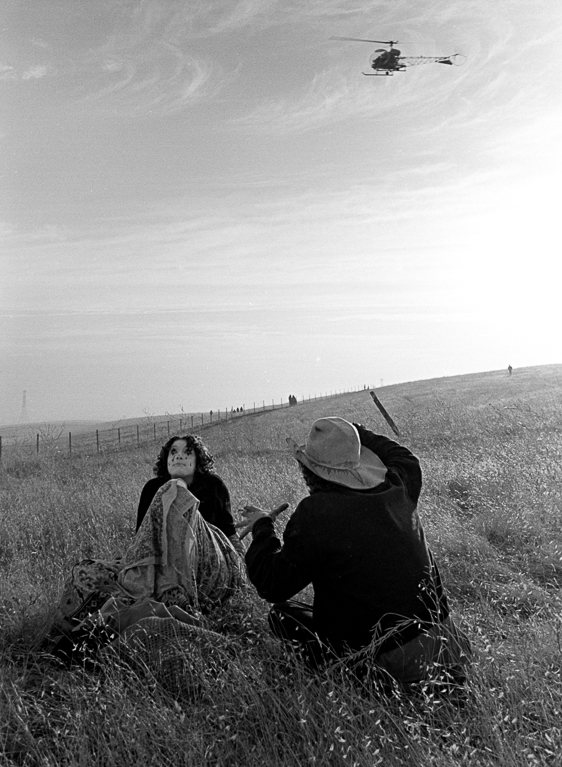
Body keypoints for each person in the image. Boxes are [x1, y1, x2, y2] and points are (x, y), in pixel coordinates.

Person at [237, 417, 471, 691]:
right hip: (448, 644)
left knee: (282, 616)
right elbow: (403, 456)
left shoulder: (316, 514)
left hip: (391, 664)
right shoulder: (398, 484)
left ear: (308, 471)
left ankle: (359, 684)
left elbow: (271, 585)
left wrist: (263, 526)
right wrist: (353, 433)